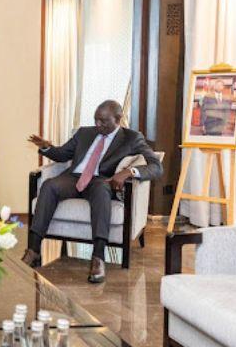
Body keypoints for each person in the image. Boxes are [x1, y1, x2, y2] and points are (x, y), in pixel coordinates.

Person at [24, 100, 162, 283]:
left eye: (104, 121)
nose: (98, 125)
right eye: (96, 119)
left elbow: (156, 167)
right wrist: (46, 147)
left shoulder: (132, 138)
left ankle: (98, 258)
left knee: (101, 192)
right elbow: (62, 154)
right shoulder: (84, 133)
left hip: (101, 180)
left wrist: (129, 172)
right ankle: (33, 251)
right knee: (49, 185)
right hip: (75, 178)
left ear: (118, 119)